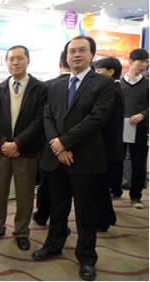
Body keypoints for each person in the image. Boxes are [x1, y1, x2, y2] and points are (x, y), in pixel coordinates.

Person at [32, 36, 114, 281]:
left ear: (92, 54)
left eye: (82, 51)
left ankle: (87, 257)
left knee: (86, 212)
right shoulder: (55, 86)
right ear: (66, 56)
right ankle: (54, 244)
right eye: (72, 51)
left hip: (85, 158)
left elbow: (97, 118)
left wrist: (65, 142)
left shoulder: (103, 84)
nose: (76, 55)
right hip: (57, 158)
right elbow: (48, 116)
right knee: (57, 206)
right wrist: (57, 145)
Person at [0, 45, 47, 251]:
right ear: (6, 62)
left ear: (28, 61)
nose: (15, 62)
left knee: (25, 195)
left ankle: (21, 232)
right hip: (0, 151)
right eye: (11, 59)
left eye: (20, 58)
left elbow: (39, 121)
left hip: (26, 153)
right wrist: (4, 143)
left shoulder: (40, 89)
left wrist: (17, 143)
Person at [33, 50, 71, 226]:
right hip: (73, 147)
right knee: (65, 192)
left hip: (48, 146)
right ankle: (60, 224)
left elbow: (42, 119)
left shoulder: (45, 85)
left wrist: (56, 143)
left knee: (46, 185)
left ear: (59, 63)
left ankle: (42, 215)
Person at [94, 56, 124, 231]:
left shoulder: (111, 90)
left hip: (106, 146)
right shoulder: (115, 88)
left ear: (111, 72)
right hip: (109, 145)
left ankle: (103, 220)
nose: (96, 74)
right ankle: (107, 217)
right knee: (102, 186)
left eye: (99, 71)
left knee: (100, 185)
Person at [118, 48, 149, 209]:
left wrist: (143, 114)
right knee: (117, 160)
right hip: (119, 128)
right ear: (130, 62)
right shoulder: (118, 83)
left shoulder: (147, 84)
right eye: (141, 61)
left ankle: (136, 196)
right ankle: (115, 190)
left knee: (138, 163)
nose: (144, 65)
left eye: (146, 62)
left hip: (139, 128)